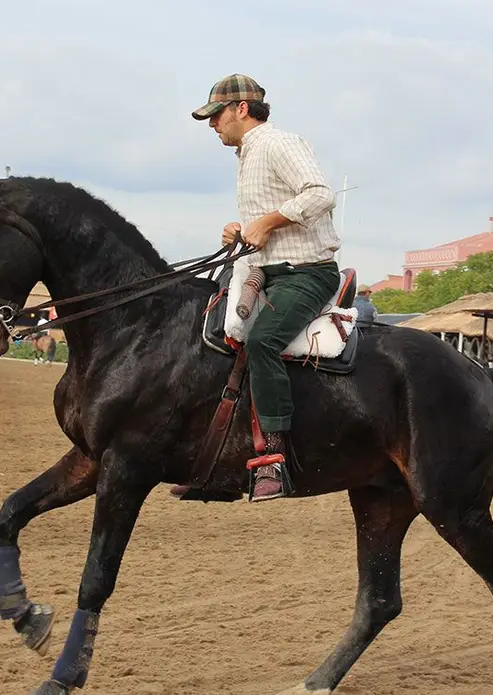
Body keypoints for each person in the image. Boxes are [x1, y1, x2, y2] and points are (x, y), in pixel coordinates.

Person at [193, 73, 340, 501]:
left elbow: (319, 194)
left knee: (261, 342)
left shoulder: (279, 143)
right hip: (266, 271)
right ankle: (220, 457)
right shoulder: (247, 154)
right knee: (212, 334)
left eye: (215, 115)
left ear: (241, 109)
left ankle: (274, 457)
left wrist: (268, 221)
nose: (211, 124)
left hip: (306, 273)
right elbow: (267, 222)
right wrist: (240, 230)